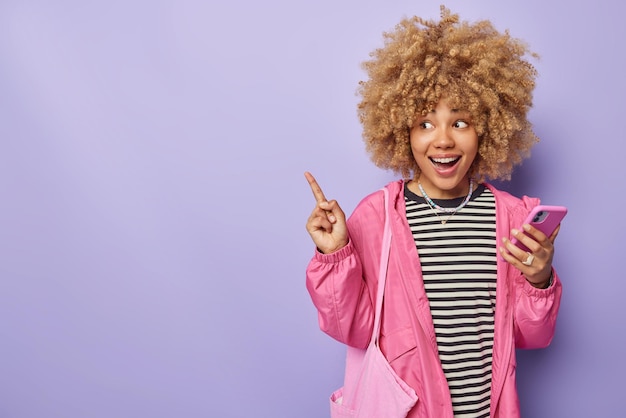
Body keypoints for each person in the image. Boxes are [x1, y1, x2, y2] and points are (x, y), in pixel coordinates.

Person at [304, 7, 562, 418]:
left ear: (489, 128)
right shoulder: (378, 217)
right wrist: (335, 258)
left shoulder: (511, 218)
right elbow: (348, 328)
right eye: (425, 123)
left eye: (460, 122)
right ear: (400, 130)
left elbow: (531, 337)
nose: (443, 140)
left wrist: (539, 278)